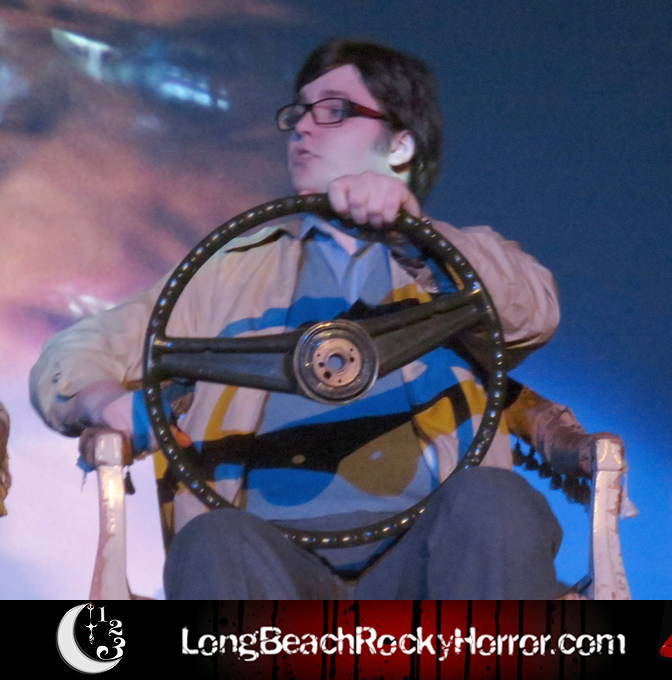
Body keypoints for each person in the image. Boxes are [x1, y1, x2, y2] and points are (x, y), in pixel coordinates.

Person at [31, 39, 571, 598]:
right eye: (299, 112)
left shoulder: (461, 260)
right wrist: (103, 403)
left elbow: (531, 313)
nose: (303, 128)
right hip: (272, 565)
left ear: (400, 145)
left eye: (334, 110)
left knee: (493, 500)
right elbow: (73, 353)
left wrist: (417, 241)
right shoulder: (227, 271)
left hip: (429, 561)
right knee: (212, 539)